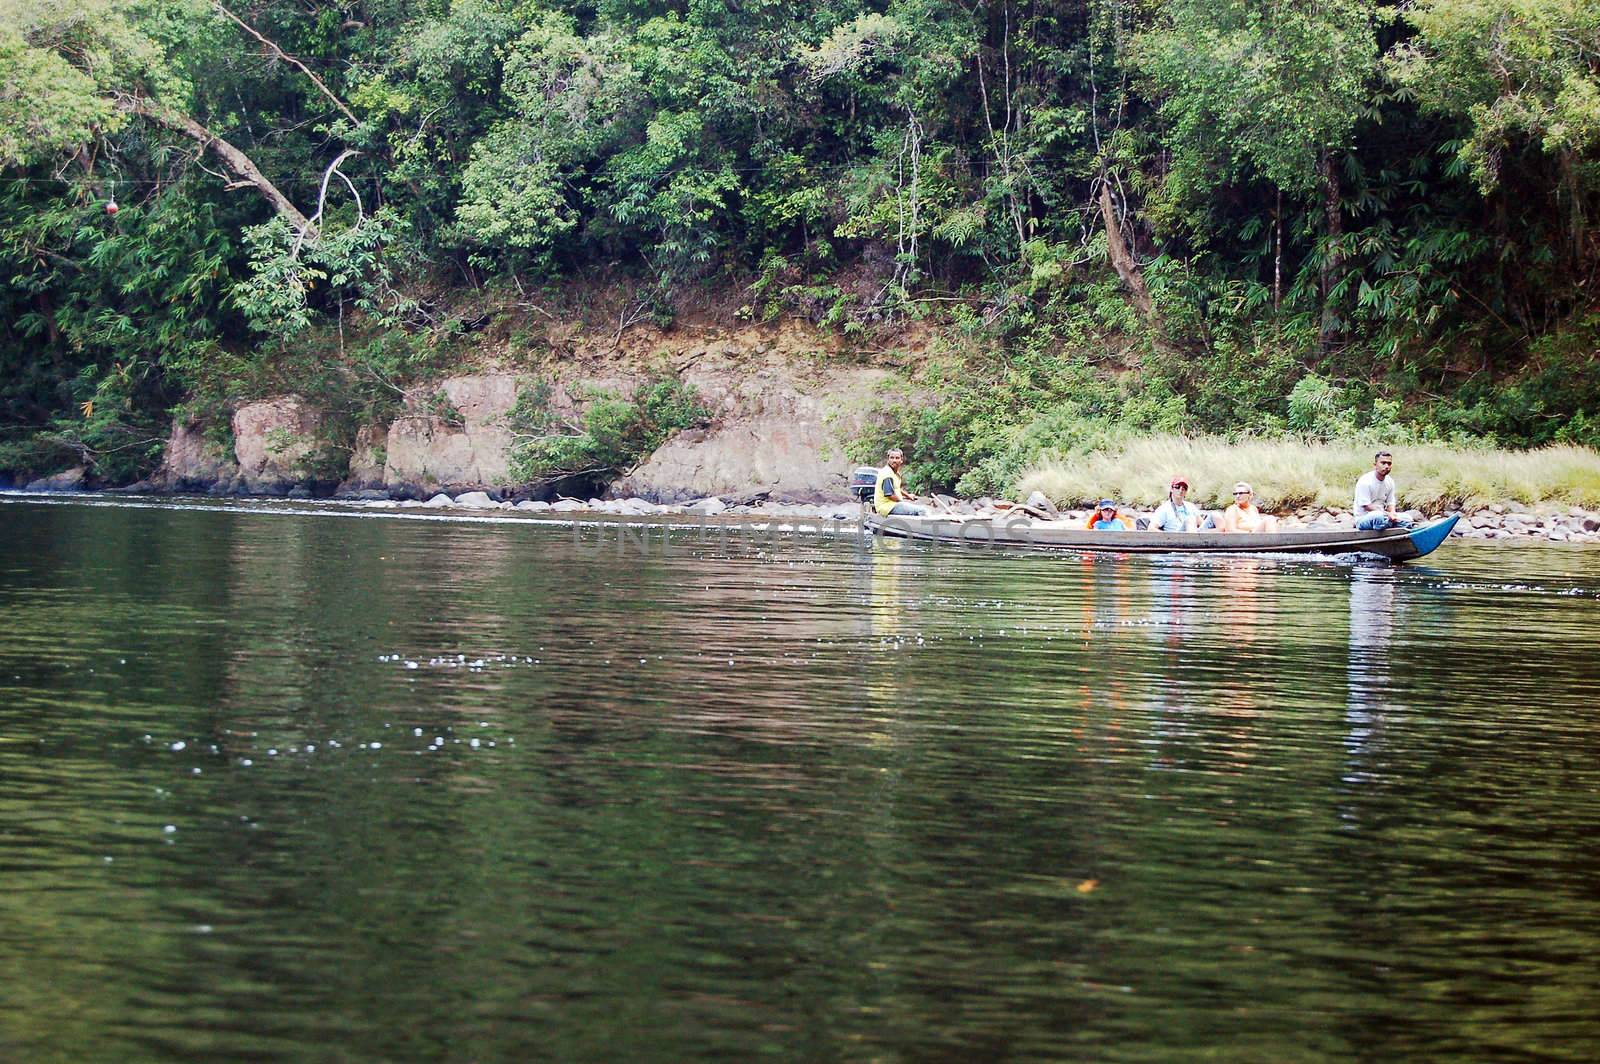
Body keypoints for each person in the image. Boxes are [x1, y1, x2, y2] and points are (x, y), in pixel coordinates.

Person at [1353, 450, 1414, 530]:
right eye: (1383, 463)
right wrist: (1387, 514)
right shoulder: (1365, 481)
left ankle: (1387, 525)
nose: (1386, 466)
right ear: (1375, 465)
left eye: (1389, 463)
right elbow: (1366, 506)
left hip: (1384, 516)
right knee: (1378, 517)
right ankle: (1385, 526)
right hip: (1365, 517)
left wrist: (1392, 514)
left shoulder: (1390, 481)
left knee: (1407, 518)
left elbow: (1390, 503)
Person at [873, 448, 925, 516]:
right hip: (886, 506)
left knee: (917, 508)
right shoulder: (887, 474)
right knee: (922, 510)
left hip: (891, 504)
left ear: (901, 460)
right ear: (888, 459)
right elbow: (890, 495)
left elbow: (896, 488)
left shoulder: (895, 473)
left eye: (897, 458)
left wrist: (908, 496)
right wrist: (902, 502)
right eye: (892, 458)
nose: (894, 460)